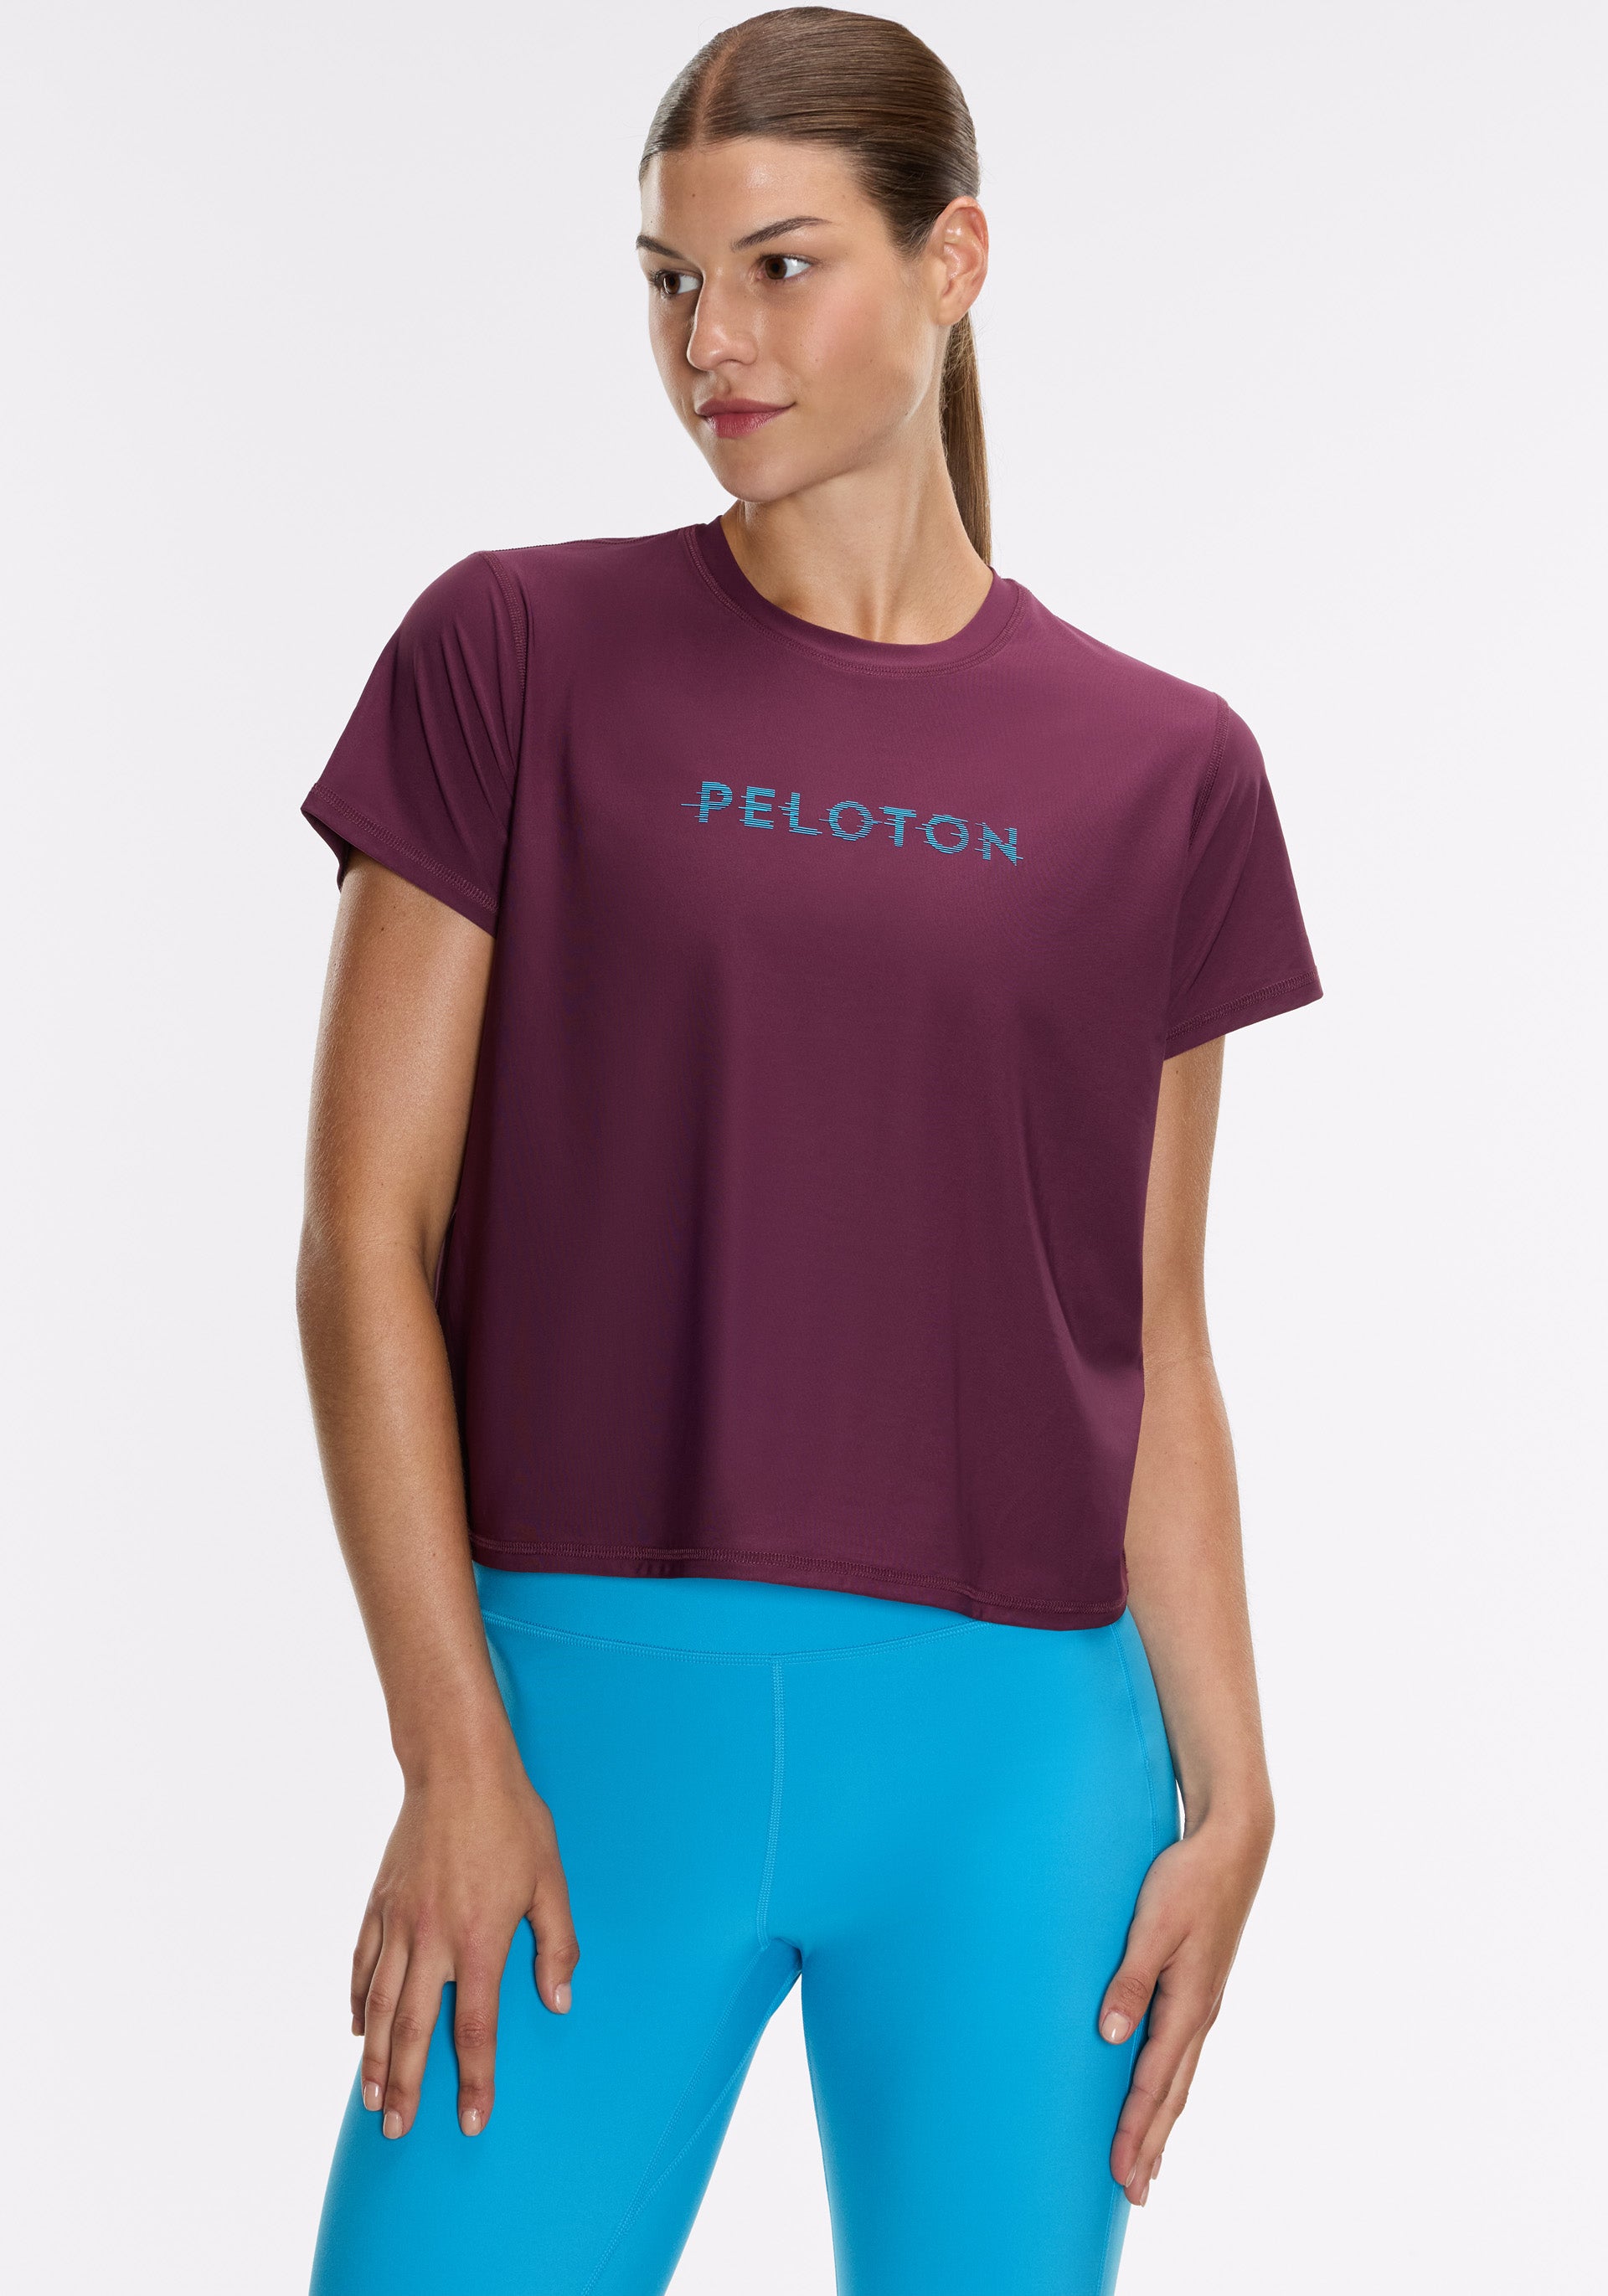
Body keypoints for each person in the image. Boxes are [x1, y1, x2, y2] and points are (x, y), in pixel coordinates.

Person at [295, 10, 1322, 2292]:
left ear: (954, 262)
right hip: (578, 1744)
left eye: (780, 268)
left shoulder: (1164, 772)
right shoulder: (514, 654)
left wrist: (1237, 1777)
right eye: (672, 281)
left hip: (1022, 1777)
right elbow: (364, 1237)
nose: (712, 344)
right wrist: (452, 1748)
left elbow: (1149, 1329)